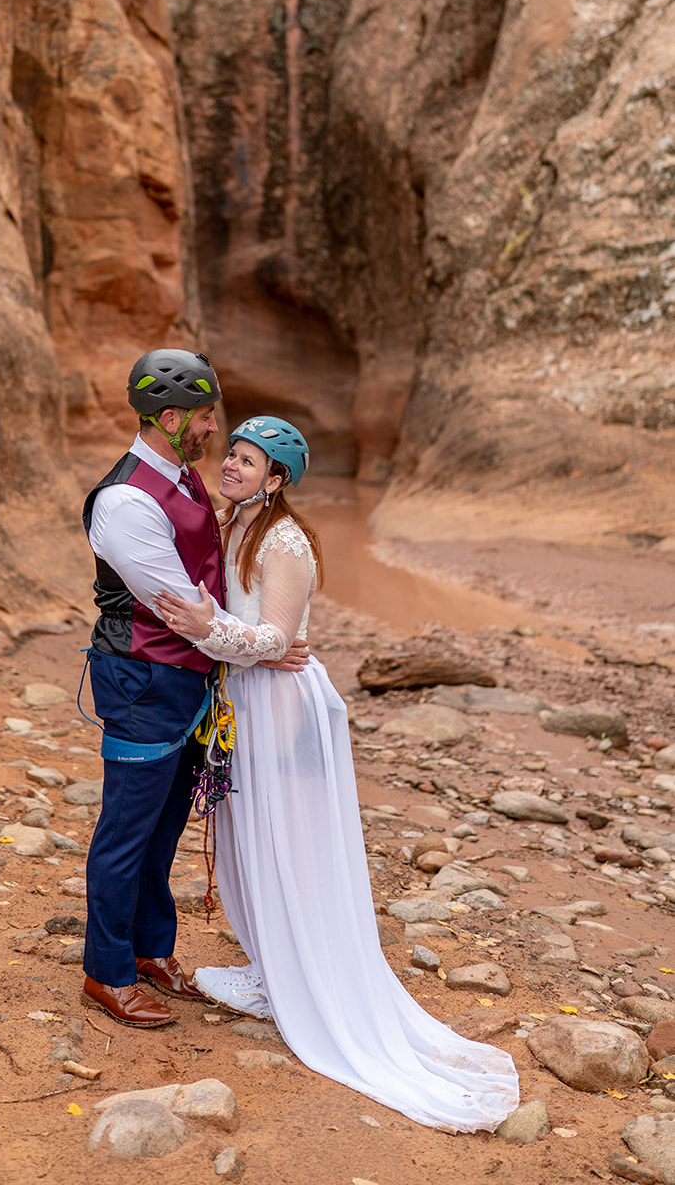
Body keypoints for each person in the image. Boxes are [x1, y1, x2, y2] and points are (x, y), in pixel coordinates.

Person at [154, 415, 520, 1133]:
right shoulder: (230, 523)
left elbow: (276, 639)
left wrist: (207, 630)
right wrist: (227, 640)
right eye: (229, 453)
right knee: (245, 838)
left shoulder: (284, 542)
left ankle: (304, 976)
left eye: (246, 459)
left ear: (278, 477)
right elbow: (253, 632)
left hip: (280, 706)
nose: (229, 464)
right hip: (241, 698)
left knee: (288, 839)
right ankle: (270, 963)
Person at [80, 352, 310, 1029]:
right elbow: (182, 608)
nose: (216, 430)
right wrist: (262, 646)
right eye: (208, 417)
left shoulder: (180, 478)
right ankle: (106, 971)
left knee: (162, 830)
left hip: (188, 683)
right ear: (173, 417)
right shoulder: (125, 501)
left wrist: (252, 644)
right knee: (125, 832)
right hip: (142, 680)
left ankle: (152, 951)